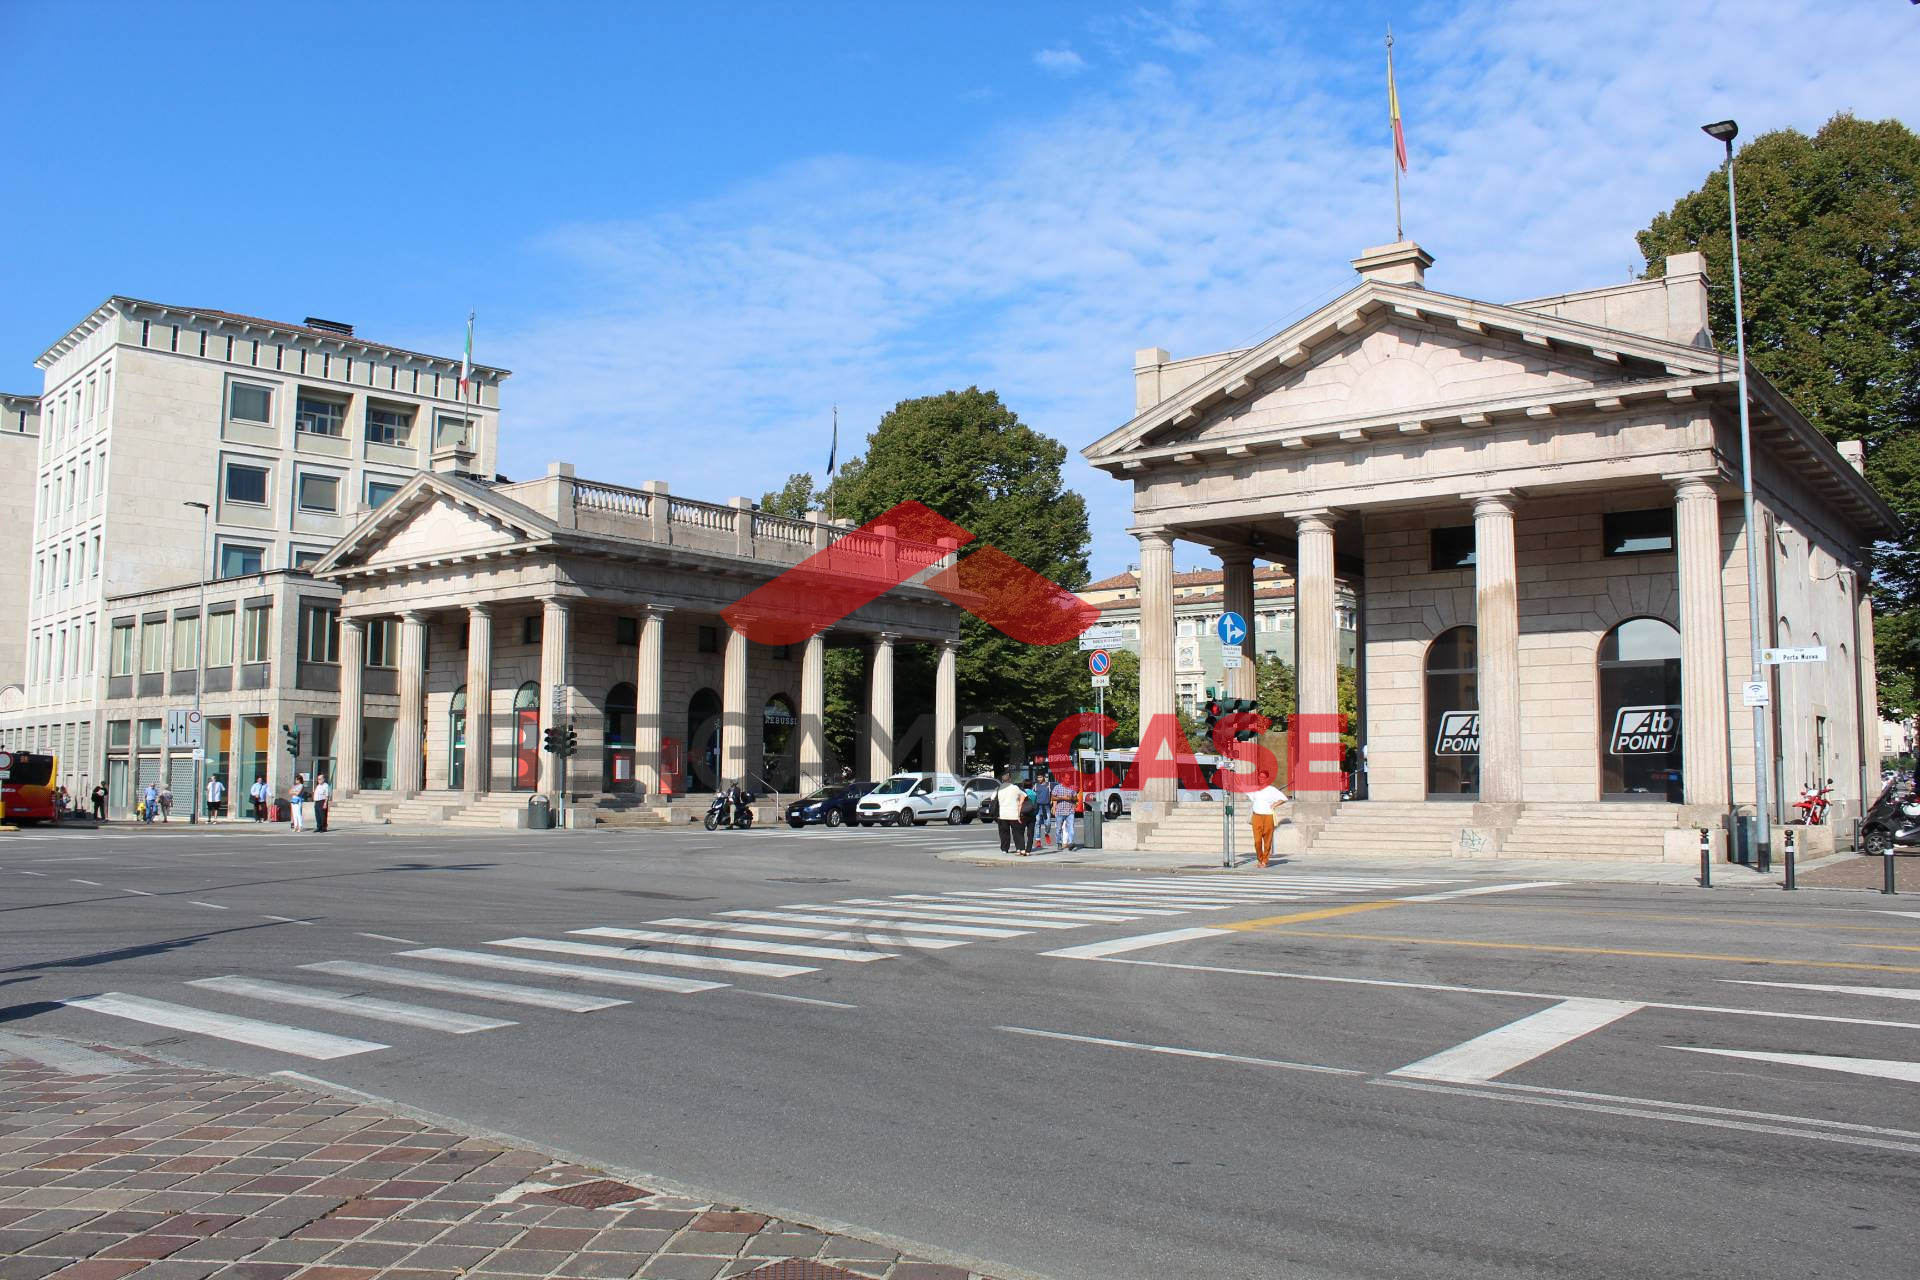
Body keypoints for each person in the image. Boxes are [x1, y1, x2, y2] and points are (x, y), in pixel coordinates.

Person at [1248, 771, 1289, 868]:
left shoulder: (1272, 790)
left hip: (1268, 816)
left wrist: (1274, 804)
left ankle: (1264, 861)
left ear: (1266, 779)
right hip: (1256, 816)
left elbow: (1284, 798)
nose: (1261, 779)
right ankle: (1260, 859)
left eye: (1263, 777)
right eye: (1259, 777)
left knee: (1267, 840)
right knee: (1257, 841)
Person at [994, 774, 1027, 855]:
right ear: (1010, 780)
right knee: (1017, 832)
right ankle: (1019, 848)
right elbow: (1024, 795)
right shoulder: (1015, 788)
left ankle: (1004, 849)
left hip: (1002, 814)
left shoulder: (998, 788)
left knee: (1004, 833)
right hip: (1014, 814)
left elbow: (992, 798)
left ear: (1002, 780)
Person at [1052, 779, 1077, 851]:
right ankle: (1059, 843)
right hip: (1060, 811)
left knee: (1071, 828)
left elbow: (1076, 798)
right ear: (1063, 779)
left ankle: (1071, 843)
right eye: (1066, 778)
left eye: (1069, 778)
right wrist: (1062, 798)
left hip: (1070, 811)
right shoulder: (1057, 787)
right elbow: (1053, 797)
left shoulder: (1072, 787)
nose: (1068, 780)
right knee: (1058, 829)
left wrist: (1071, 798)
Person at [1031, 774, 1055, 850]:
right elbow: (1032, 795)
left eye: (1040, 777)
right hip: (1038, 807)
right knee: (1037, 823)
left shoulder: (1049, 785)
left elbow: (1054, 794)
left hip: (1046, 807)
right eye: (1038, 777)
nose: (1039, 778)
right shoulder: (1035, 785)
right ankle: (1038, 840)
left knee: (1048, 823)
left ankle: (1046, 833)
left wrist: (1053, 805)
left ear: (1044, 777)